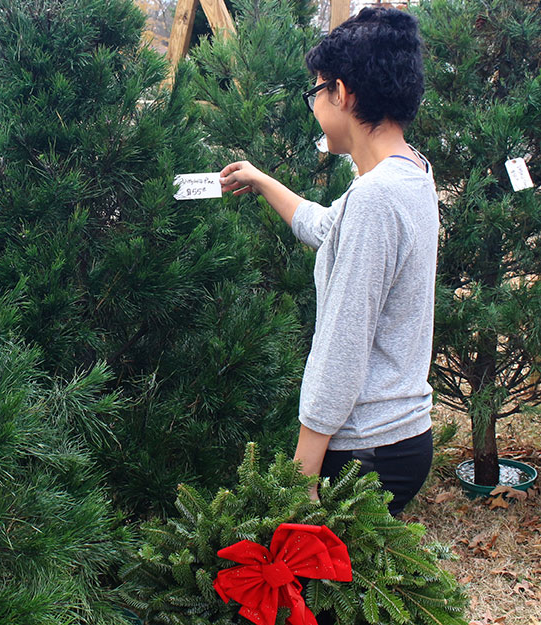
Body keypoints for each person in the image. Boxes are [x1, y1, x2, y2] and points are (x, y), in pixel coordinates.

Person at [218, 7, 437, 515]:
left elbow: (341, 347)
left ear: (342, 93)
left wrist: (302, 476)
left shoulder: (375, 199)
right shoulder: (410, 172)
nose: (315, 105)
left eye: (316, 92)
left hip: (367, 448)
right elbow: (326, 229)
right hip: (399, 436)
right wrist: (261, 179)